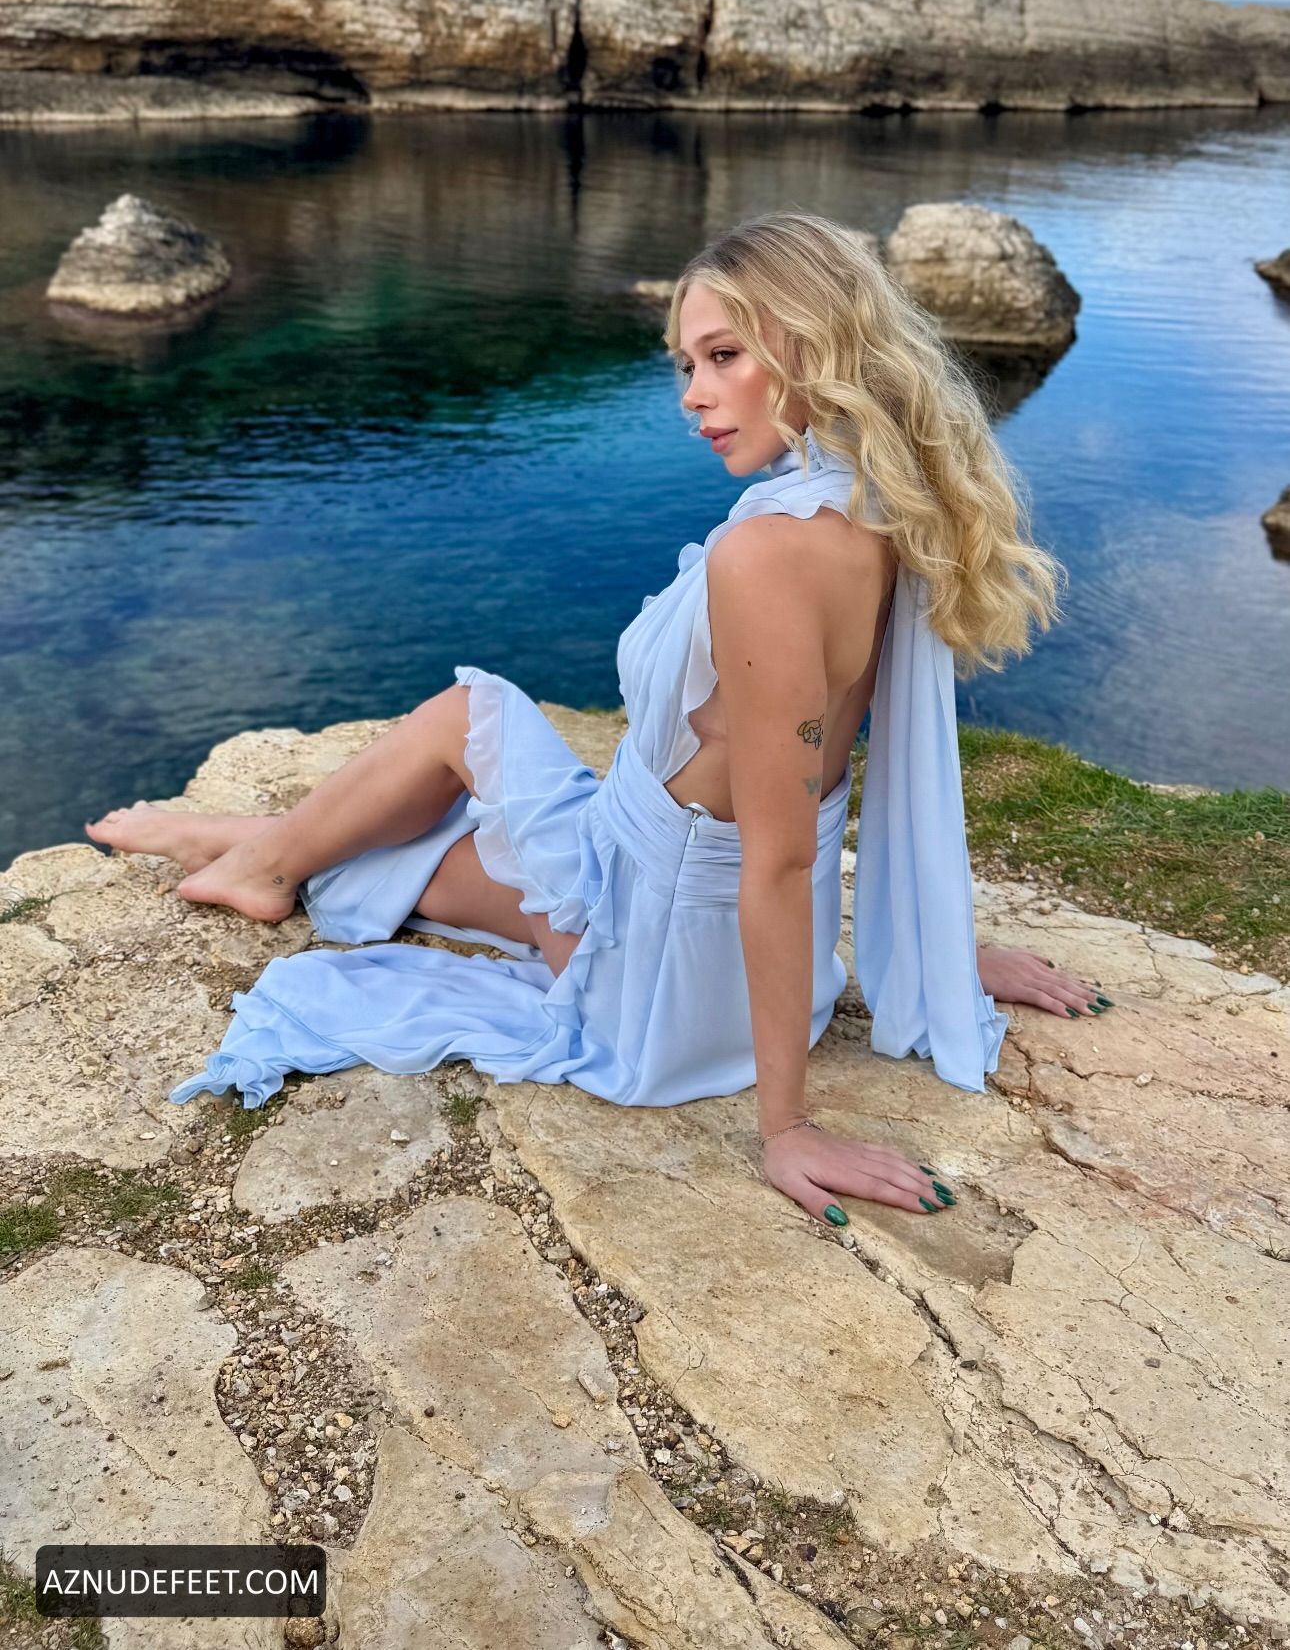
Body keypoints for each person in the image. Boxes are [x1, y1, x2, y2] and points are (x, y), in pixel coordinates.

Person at [87, 213, 1112, 1228]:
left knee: (470, 711)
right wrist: (936, 952)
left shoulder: (770, 556)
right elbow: (880, 763)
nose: (693, 395)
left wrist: (788, 1127)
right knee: (444, 850)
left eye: (723, 355)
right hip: (672, 912)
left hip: (657, 968)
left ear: (817, 339)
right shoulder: (891, 507)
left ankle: (265, 863)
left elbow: (783, 855)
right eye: (686, 365)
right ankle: (256, 845)